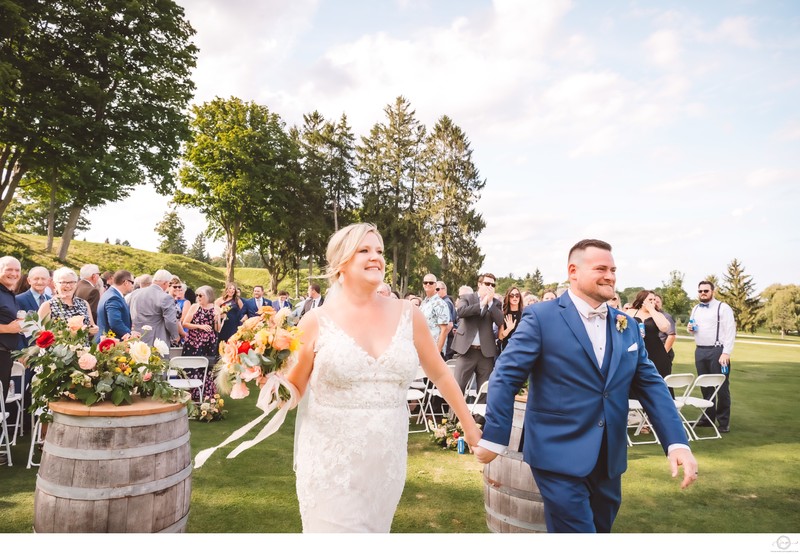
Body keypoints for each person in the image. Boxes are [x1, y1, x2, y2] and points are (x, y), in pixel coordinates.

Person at [474, 239, 698, 533]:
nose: (611, 276)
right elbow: (505, 375)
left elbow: (652, 385)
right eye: (601, 268)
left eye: (614, 269)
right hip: (557, 454)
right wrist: (494, 437)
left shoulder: (626, 324)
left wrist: (676, 442)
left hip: (609, 459)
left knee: (600, 530)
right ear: (573, 272)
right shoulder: (542, 317)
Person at [285, 223, 482, 532]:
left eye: (378, 250)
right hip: (331, 466)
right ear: (341, 264)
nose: (375, 257)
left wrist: (469, 427)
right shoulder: (314, 322)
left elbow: (442, 374)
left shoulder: (408, 313)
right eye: (364, 250)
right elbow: (294, 388)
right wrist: (268, 381)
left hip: (385, 467)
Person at [687, 281, 735, 433]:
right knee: (705, 386)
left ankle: (723, 422)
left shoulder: (723, 307)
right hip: (700, 350)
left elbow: (730, 331)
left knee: (721, 387)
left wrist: (726, 352)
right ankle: (707, 418)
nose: (703, 293)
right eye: (700, 290)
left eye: (706, 290)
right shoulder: (695, 308)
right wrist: (690, 329)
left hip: (718, 351)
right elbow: (694, 328)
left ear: (713, 291)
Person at [451, 273, 504, 394]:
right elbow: (461, 312)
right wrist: (482, 303)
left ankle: (479, 413)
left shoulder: (495, 303)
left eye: (493, 284)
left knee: (484, 391)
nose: (490, 286)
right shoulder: (467, 297)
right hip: (466, 351)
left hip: (485, 353)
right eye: (487, 283)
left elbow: (500, 321)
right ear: (479, 284)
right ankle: (455, 414)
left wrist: (490, 303)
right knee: (457, 388)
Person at [39, 267, 99, 345]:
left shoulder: (84, 303)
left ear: (76, 284)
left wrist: (93, 329)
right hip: (57, 354)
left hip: (82, 352)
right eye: (63, 282)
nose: (68, 286)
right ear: (55, 284)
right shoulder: (48, 306)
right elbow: (39, 333)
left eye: (71, 282)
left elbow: (92, 326)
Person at [181, 285, 221, 401]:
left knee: (207, 368)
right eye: (197, 295)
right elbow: (185, 323)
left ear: (208, 296)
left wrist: (217, 319)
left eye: (200, 295)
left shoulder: (216, 308)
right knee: (193, 367)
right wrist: (200, 326)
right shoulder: (194, 307)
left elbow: (217, 329)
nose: (198, 297)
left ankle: (207, 396)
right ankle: (191, 395)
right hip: (194, 343)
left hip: (209, 343)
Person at [624, 290, 672, 380]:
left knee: (658, 380)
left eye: (654, 299)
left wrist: (651, 309)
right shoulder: (631, 312)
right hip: (635, 351)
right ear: (642, 300)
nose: (653, 301)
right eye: (650, 299)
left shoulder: (658, 314)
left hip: (656, 352)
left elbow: (664, 328)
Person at [129, 269, 179, 347]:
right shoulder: (165, 297)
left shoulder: (135, 293)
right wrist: (175, 335)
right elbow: (170, 321)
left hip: (135, 339)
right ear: (165, 283)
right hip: (156, 341)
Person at [0, 256, 23, 413]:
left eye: (17, 270)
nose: (14, 273)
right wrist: (8, 329)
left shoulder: (9, 293)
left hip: (6, 356)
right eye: (9, 269)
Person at [96, 270, 137, 340]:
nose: (133, 286)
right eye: (132, 282)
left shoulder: (111, 293)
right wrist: (130, 334)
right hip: (110, 343)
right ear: (126, 282)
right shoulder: (114, 297)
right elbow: (115, 323)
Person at [420, 273, 451, 357]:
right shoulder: (424, 303)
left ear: (435, 285)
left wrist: (437, 352)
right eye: (425, 282)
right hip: (422, 348)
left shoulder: (440, 303)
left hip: (434, 351)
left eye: (431, 282)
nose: (428, 284)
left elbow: (444, 330)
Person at [497, 286, 523, 352]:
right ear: (508, 297)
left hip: (522, 348)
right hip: (508, 349)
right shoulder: (503, 314)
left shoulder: (525, 314)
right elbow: (500, 337)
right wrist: (509, 329)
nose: (515, 297)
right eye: (512, 295)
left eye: (517, 295)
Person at [169, 278, 190, 346]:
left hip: (178, 333)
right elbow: (172, 320)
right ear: (169, 287)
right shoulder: (168, 300)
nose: (177, 289)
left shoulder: (175, 301)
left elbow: (178, 320)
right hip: (171, 335)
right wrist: (182, 333)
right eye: (175, 287)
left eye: (179, 287)